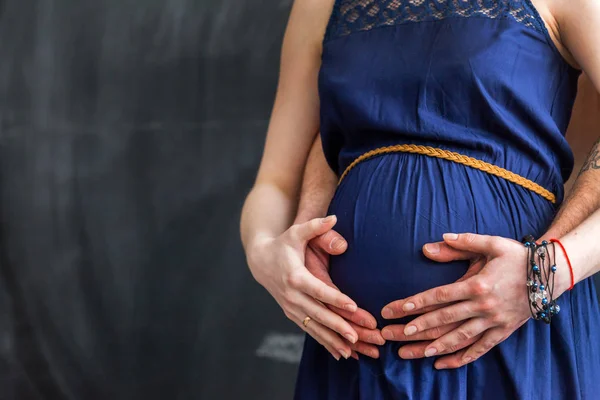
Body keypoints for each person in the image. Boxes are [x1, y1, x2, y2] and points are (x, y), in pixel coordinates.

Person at [240, 0, 600, 398]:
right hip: (354, 348)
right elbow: (275, 182)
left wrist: (547, 272)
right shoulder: (319, 6)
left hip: (512, 325)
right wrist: (263, 254)